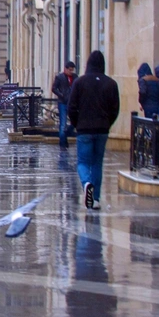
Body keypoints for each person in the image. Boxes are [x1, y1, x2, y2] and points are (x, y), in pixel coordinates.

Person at [68, 50, 119, 210]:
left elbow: (71, 107)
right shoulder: (111, 83)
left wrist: (77, 124)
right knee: (97, 163)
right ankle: (95, 198)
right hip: (102, 129)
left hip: (84, 129)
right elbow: (115, 109)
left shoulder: (79, 82)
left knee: (83, 162)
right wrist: (107, 124)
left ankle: (86, 183)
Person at [51, 61, 77, 148]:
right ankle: (63, 143)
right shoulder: (60, 77)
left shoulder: (75, 77)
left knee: (74, 122)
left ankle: (65, 135)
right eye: (70, 70)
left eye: (72, 70)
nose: (71, 72)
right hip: (63, 103)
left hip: (72, 103)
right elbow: (54, 88)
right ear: (65, 69)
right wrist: (61, 95)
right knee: (63, 124)